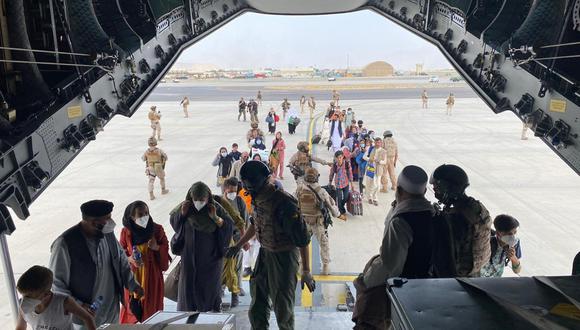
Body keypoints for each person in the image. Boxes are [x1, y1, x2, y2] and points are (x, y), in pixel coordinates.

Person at [225, 161, 315, 330]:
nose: (248, 190)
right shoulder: (257, 197)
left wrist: (306, 271)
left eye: (250, 186)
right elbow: (256, 224)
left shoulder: (284, 203)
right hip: (265, 252)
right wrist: (238, 245)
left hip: (284, 258)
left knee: (282, 307)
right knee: (257, 300)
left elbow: (302, 239)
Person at [353, 166, 435, 329]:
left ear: (398, 189)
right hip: (427, 286)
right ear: (424, 191)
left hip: (402, 288)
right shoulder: (434, 215)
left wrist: (366, 282)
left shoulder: (401, 221)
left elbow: (390, 265)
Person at [49, 200, 143, 328]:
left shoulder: (106, 234)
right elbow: (56, 284)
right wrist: (78, 306)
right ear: (94, 223)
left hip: (111, 310)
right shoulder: (65, 244)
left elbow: (120, 259)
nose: (111, 223)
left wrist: (133, 284)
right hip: (84, 316)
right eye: (107, 219)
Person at [169, 182, 233, 312]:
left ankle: (209, 317)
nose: (198, 202)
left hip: (210, 260)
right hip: (189, 259)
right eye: (195, 200)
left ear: (208, 198)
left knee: (208, 293)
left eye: (202, 200)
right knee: (189, 294)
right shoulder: (185, 207)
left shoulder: (217, 209)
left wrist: (216, 218)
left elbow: (229, 226)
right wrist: (182, 214)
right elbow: (174, 223)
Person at [430, 164, 492, 277]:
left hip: (456, 277)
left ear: (448, 188)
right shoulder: (477, 207)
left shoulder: (456, 218)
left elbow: (446, 254)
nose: (435, 191)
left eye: (437, 188)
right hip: (475, 272)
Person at [120, 201, 170, 323]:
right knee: (133, 308)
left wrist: (157, 247)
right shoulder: (126, 232)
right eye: (140, 214)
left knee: (151, 311)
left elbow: (165, 258)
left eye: (146, 213)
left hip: (152, 278)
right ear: (132, 217)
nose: (144, 217)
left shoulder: (157, 230)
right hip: (133, 277)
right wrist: (130, 259)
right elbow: (120, 253)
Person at [16, 265, 96, 330]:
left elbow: (88, 318)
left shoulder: (63, 302)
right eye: (23, 295)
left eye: (29, 297)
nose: (24, 300)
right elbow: (20, 327)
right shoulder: (24, 306)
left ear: (46, 294)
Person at [296, 167, 340, 275]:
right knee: (324, 243)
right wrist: (337, 214)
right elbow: (331, 206)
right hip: (317, 222)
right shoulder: (321, 191)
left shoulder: (300, 189)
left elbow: (293, 202)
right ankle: (325, 267)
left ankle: (300, 267)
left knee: (301, 244)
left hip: (304, 222)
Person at [222, 177, 250, 306]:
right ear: (225, 189)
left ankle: (237, 288)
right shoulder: (219, 203)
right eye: (231, 190)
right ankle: (221, 288)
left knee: (238, 265)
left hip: (237, 239)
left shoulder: (240, 202)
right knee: (222, 266)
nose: (233, 193)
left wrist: (245, 241)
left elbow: (245, 222)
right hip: (223, 240)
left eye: (235, 190)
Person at [329, 150, 354, 221]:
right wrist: (330, 182)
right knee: (339, 199)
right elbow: (331, 174)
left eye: (340, 157)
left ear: (343, 157)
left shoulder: (347, 163)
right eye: (338, 158)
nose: (339, 159)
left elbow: (350, 173)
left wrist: (352, 183)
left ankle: (340, 206)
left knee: (346, 197)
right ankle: (342, 211)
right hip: (338, 184)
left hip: (345, 183)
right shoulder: (334, 165)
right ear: (336, 158)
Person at [364, 138, 387, 206]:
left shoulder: (384, 151)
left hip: (378, 170)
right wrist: (370, 159)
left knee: (377, 186)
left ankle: (374, 197)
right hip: (370, 169)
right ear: (375, 142)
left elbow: (385, 162)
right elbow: (364, 157)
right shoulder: (371, 149)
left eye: (379, 142)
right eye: (377, 142)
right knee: (369, 184)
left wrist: (378, 161)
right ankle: (371, 198)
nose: (378, 144)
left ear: (381, 143)